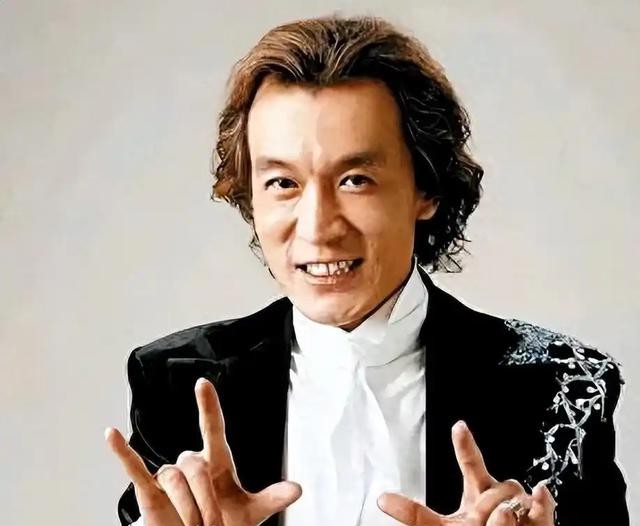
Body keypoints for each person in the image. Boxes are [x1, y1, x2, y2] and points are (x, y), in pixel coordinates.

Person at [105, 14, 629, 526]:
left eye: (355, 179)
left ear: (427, 189)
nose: (318, 227)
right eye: (283, 183)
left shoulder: (565, 385)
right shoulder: (174, 381)